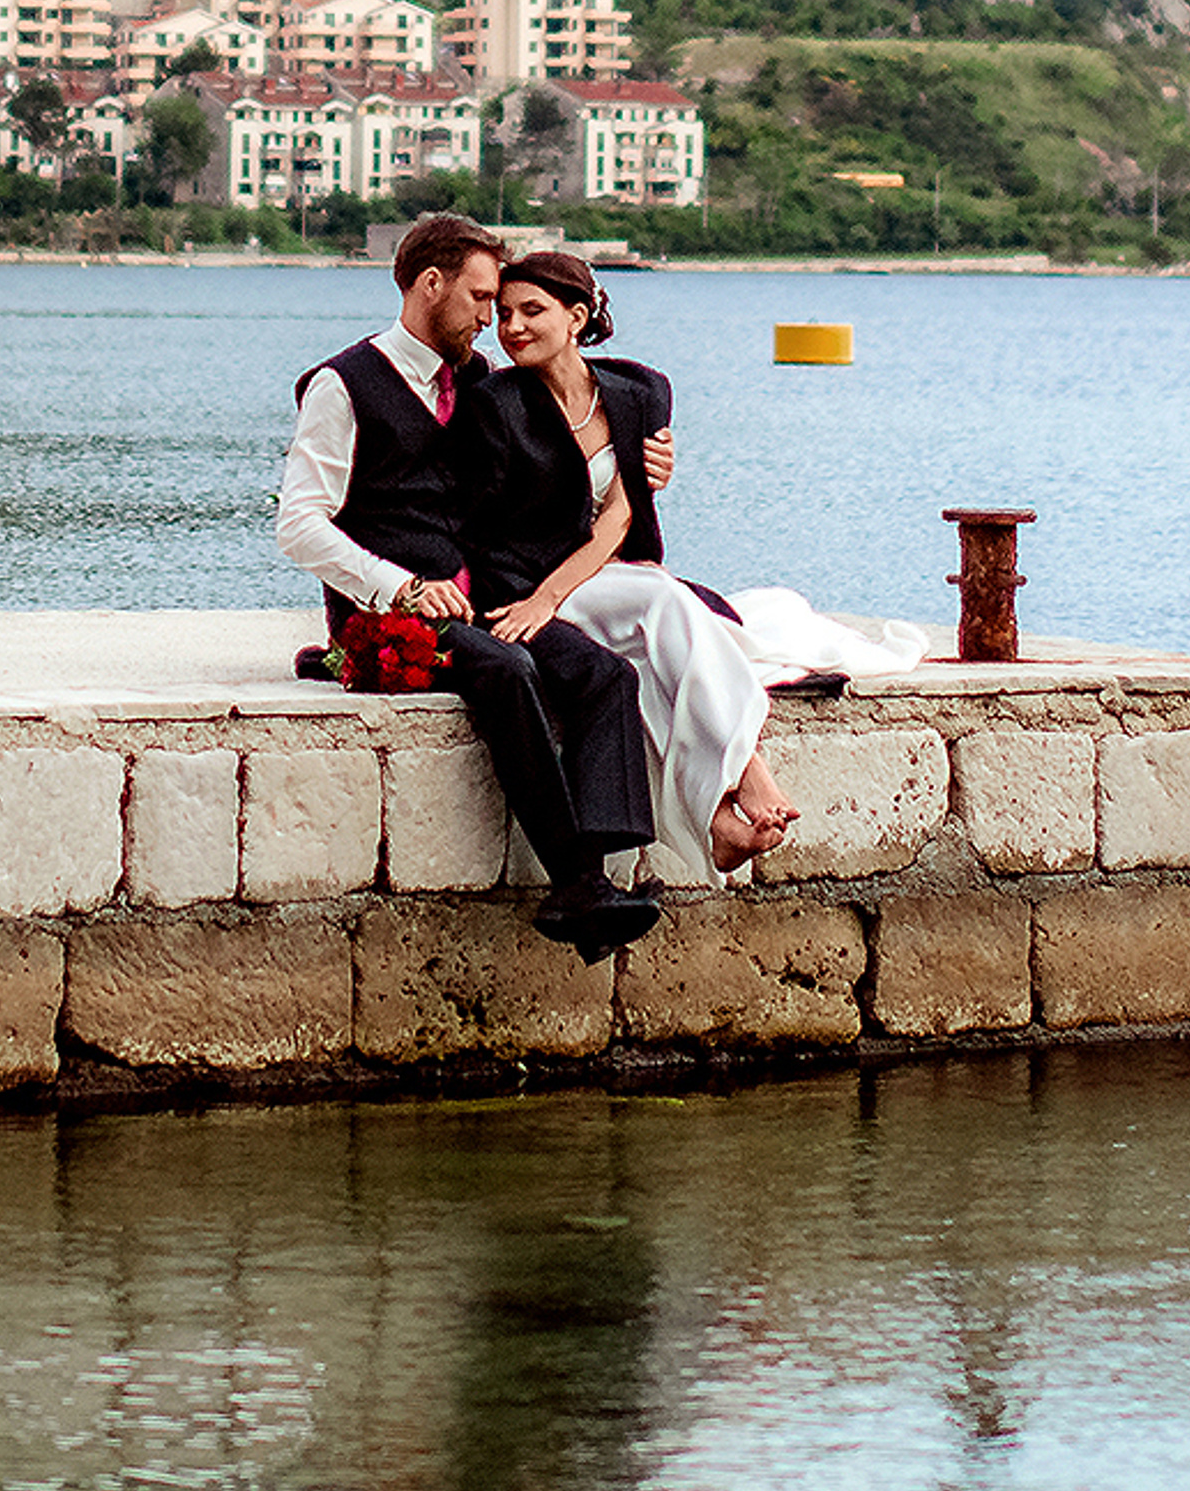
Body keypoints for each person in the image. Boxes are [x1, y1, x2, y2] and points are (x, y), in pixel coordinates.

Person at [276, 210, 666, 962]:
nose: (494, 320)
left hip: (481, 596)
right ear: (432, 285)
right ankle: (577, 883)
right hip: (386, 613)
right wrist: (400, 589)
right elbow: (300, 526)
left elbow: (580, 429)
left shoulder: (479, 384)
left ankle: (601, 867)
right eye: (483, 299)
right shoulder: (342, 385)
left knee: (600, 674)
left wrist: (641, 471)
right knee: (510, 669)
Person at [464, 250, 805, 882]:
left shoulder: (639, 391)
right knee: (663, 603)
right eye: (504, 313)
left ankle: (717, 827)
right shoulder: (495, 402)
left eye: (532, 311)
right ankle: (747, 772)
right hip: (525, 583)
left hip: (607, 570)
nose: (512, 327)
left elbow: (620, 518)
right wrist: (542, 600)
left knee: (672, 634)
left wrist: (654, 478)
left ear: (578, 316)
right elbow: (483, 529)